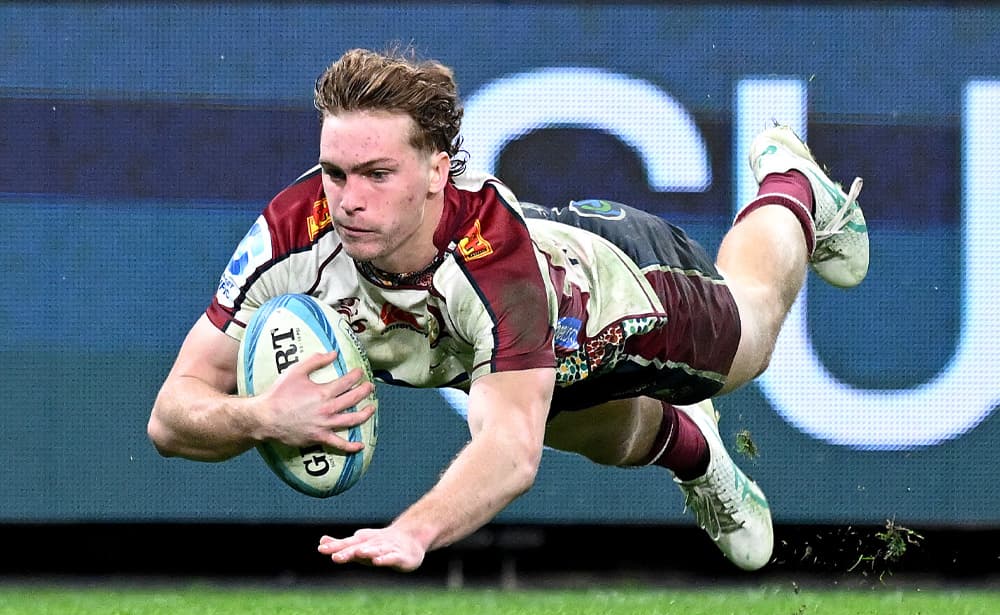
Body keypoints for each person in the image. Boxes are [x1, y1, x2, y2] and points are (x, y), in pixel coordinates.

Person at [147, 47, 868, 573]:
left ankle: (793, 187)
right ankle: (697, 451)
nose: (347, 198)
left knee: (755, 332)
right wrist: (260, 416)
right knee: (607, 435)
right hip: (491, 356)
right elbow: (169, 414)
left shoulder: (491, 259)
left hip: (623, 295)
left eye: (376, 173)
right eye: (334, 172)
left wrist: (415, 529)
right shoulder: (290, 234)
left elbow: (510, 451)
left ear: (437, 169)